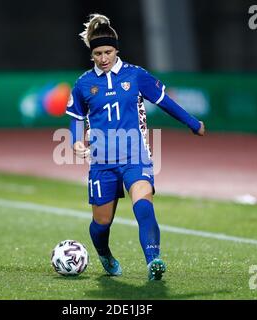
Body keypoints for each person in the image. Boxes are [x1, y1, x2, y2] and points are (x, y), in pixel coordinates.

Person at [66, 14, 205, 281]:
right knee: (101, 222)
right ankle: (104, 252)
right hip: (102, 161)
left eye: (108, 51)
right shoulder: (84, 83)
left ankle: (154, 261)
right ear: (91, 54)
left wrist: (192, 122)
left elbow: (166, 102)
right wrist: (75, 140)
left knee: (143, 204)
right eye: (98, 53)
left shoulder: (136, 75)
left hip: (134, 156)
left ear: (116, 50)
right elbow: (75, 117)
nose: (103, 58)